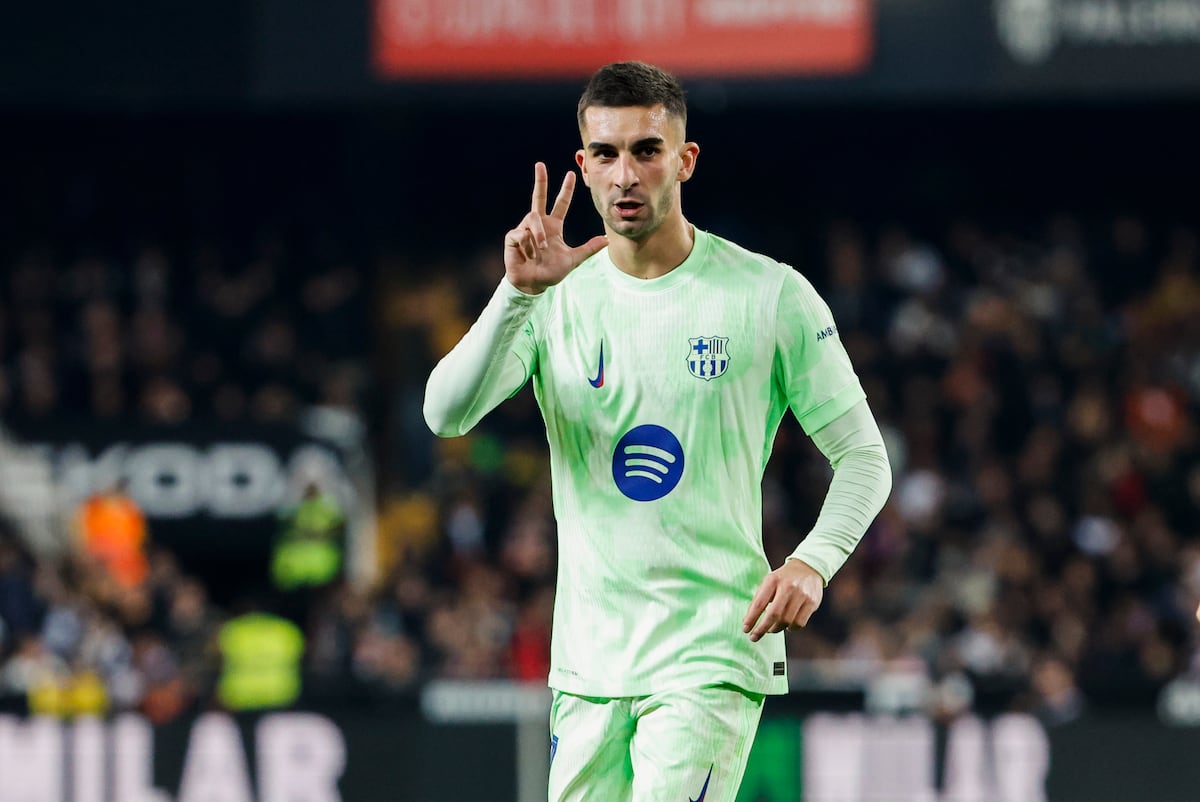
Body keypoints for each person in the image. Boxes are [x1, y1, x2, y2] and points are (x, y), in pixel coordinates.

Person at [424, 61, 892, 802]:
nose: (625, 174)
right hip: (588, 665)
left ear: (685, 158)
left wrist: (813, 561)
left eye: (646, 149)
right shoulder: (551, 300)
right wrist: (514, 294)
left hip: (711, 649)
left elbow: (864, 457)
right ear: (583, 164)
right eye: (605, 154)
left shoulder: (768, 294)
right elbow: (443, 414)